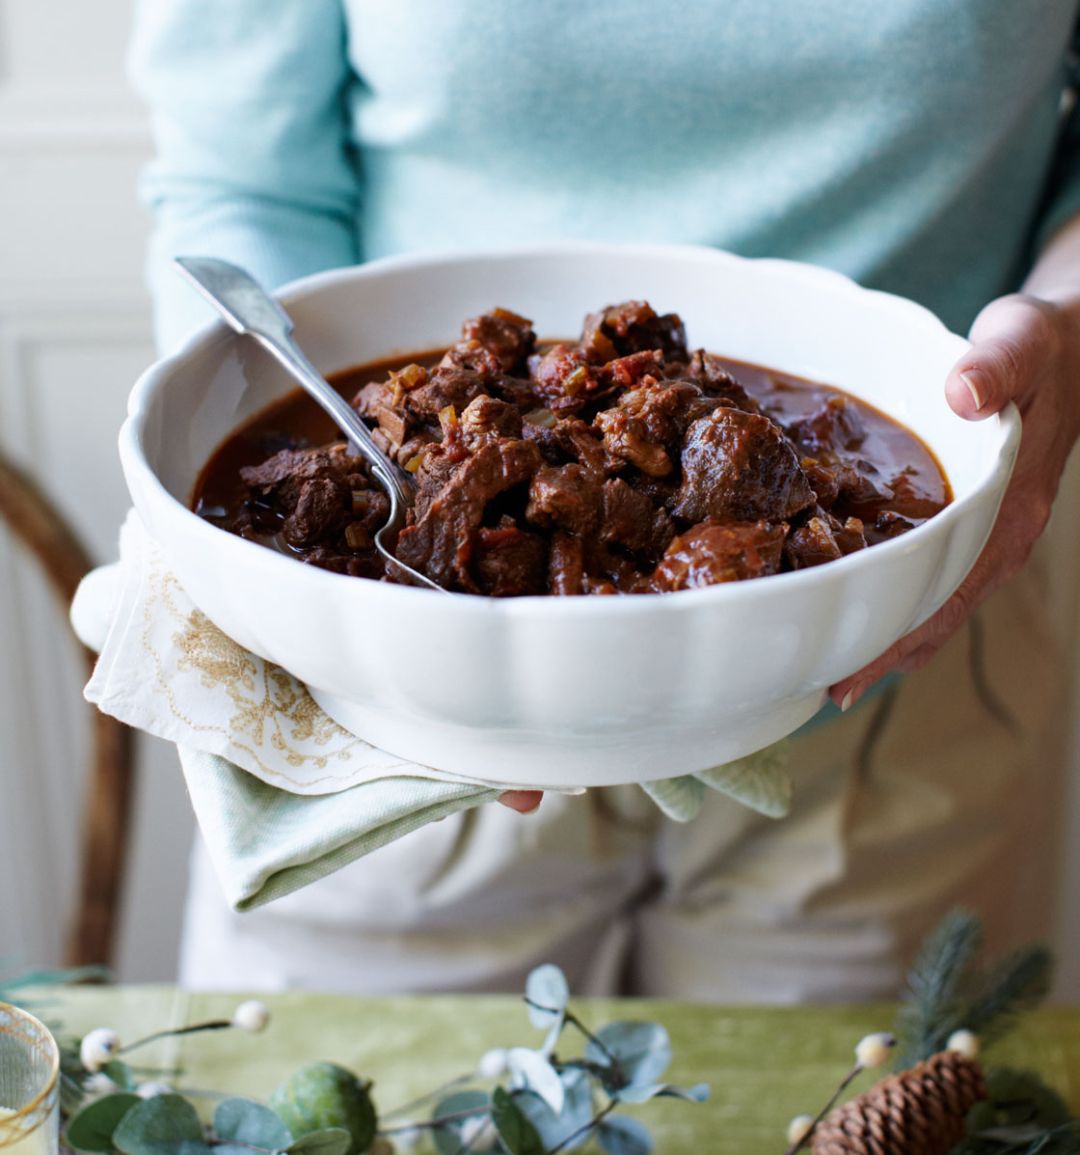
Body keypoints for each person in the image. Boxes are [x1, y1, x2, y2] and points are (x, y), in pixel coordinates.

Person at [128, 0, 1080, 999]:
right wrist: (319, 589)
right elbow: (238, 173)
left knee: (846, 1107)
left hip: (894, 666)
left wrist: (1065, 322)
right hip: (389, 717)